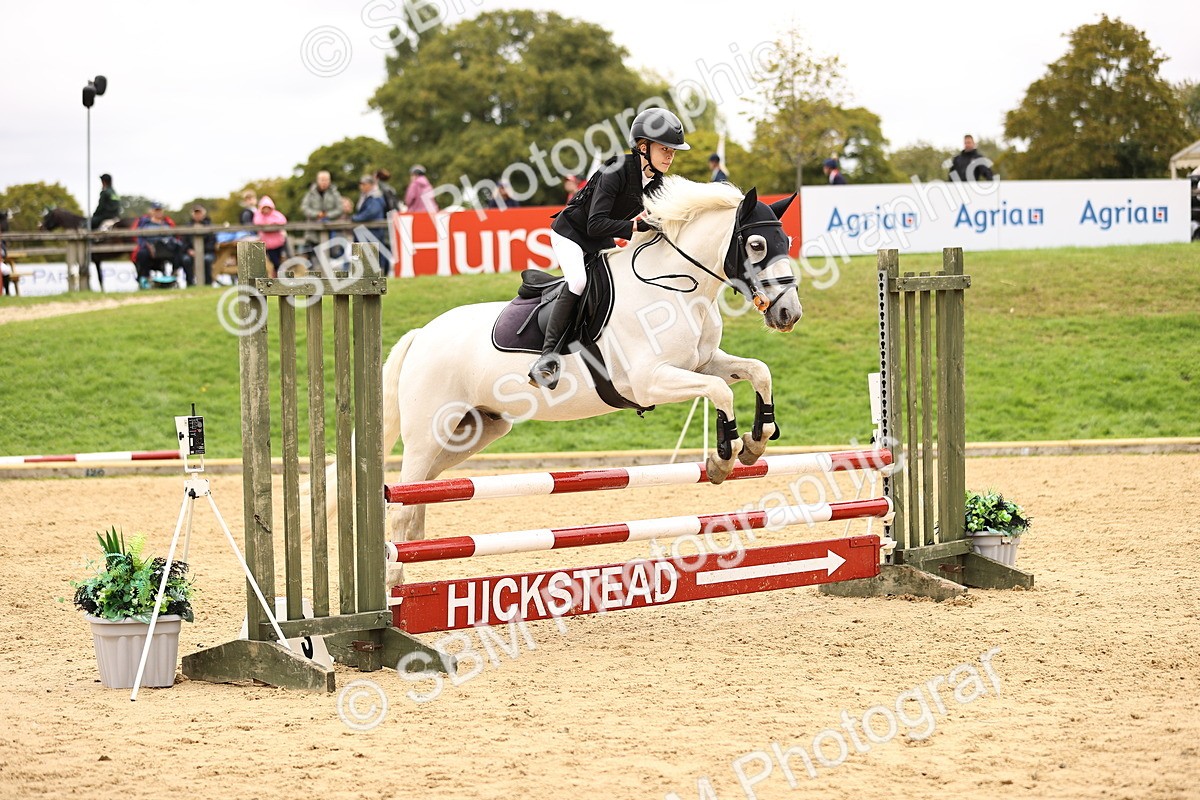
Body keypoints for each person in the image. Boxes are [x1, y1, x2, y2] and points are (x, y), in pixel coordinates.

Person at [532, 106, 689, 389]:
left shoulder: (657, 183)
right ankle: (547, 359)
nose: (670, 156)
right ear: (643, 147)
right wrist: (635, 227)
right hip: (572, 233)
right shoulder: (616, 170)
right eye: (664, 149)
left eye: (673, 151)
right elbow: (594, 224)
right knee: (578, 282)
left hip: (601, 238)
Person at [130, 202, 183, 289]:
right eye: (156, 210)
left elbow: (174, 236)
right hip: (150, 248)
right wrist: (147, 245)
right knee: (142, 254)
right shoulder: (145, 224)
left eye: (160, 210)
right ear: (151, 211)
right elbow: (140, 238)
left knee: (179, 248)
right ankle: (144, 278)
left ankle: (174, 273)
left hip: (166, 247)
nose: (158, 213)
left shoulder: (168, 223)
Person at [351, 174, 390, 270]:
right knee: (365, 262)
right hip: (367, 232)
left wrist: (356, 218)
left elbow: (371, 212)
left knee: (373, 262)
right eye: (361, 184)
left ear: (371, 185)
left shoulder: (375, 196)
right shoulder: (365, 196)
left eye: (364, 184)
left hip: (373, 232)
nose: (361, 186)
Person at [300, 170, 344, 254]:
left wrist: (327, 215)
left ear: (330, 180)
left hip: (332, 230)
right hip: (313, 231)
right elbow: (304, 208)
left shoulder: (335, 193)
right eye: (322, 180)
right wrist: (317, 214)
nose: (324, 182)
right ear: (318, 180)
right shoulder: (310, 194)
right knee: (313, 254)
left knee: (334, 254)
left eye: (326, 180)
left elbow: (340, 209)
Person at [252, 196, 288, 276]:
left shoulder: (276, 214)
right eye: (264, 208)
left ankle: (278, 276)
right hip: (268, 244)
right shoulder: (259, 215)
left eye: (267, 208)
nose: (266, 210)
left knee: (279, 260)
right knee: (275, 261)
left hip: (278, 242)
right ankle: (278, 275)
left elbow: (283, 221)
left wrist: (271, 224)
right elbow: (257, 222)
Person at [180, 204, 215, 286]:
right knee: (186, 260)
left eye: (199, 213)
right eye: (196, 213)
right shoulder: (187, 227)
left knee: (207, 259)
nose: (198, 215)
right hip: (191, 253)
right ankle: (190, 283)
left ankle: (208, 283)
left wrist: (201, 251)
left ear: (204, 214)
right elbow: (183, 243)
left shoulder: (210, 226)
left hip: (207, 252)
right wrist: (189, 250)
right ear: (192, 215)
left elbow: (212, 243)